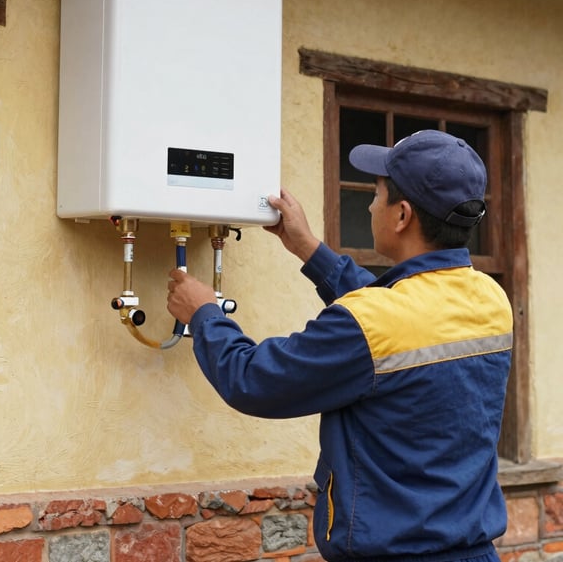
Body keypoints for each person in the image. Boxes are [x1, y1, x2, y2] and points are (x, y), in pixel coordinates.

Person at [167, 130, 513, 562]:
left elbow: (254, 380)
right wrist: (308, 248)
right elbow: (396, 316)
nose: (370, 206)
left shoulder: (375, 322)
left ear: (402, 215)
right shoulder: (489, 299)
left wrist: (204, 315)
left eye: (377, 193)